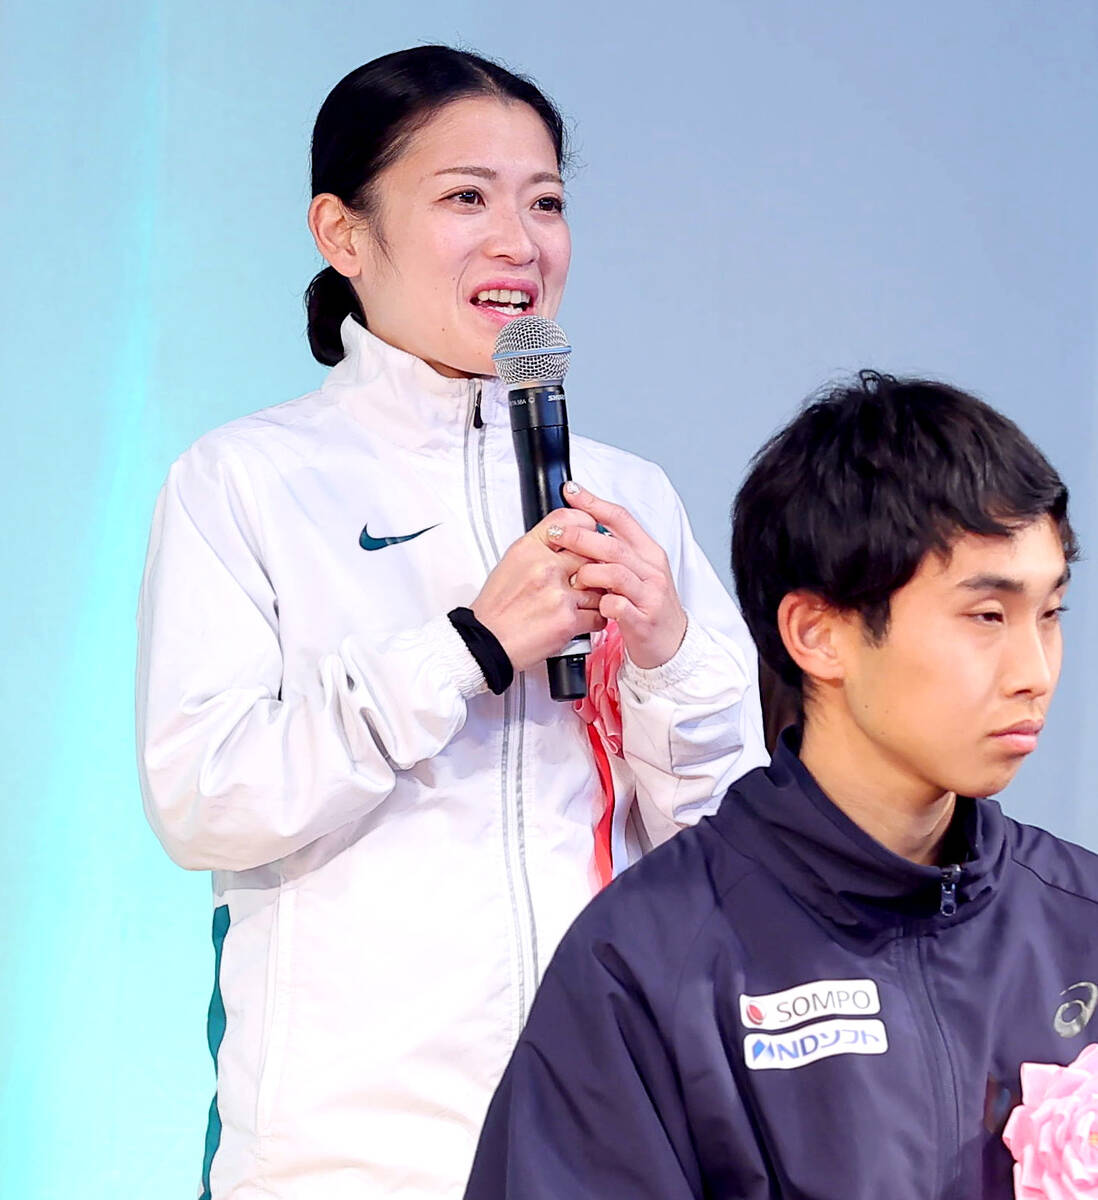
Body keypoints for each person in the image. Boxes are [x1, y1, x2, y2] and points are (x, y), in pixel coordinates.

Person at [135, 45, 766, 1200]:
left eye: (546, 202)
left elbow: (732, 853)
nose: (519, 242)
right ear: (343, 233)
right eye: (466, 197)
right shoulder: (247, 481)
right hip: (351, 1161)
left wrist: (670, 658)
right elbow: (207, 795)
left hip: (610, 1146)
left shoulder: (631, 495)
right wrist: (467, 647)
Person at [464, 372, 1098, 1199]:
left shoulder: (1080, 920)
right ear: (818, 633)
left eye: (1049, 614)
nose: (1034, 672)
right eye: (987, 617)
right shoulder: (647, 963)